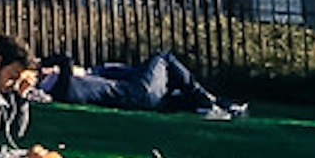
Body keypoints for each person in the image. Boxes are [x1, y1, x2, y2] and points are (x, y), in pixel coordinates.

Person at [38, 49, 243, 120]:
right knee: (163, 57)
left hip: (141, 101)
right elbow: (65, 59)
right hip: (136, 92)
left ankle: (221, 106)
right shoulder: (63, 88)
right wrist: (41, 64)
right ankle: (207, 100)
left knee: (181, 99)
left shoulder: (80, 82)